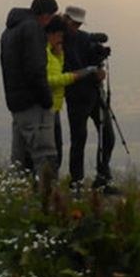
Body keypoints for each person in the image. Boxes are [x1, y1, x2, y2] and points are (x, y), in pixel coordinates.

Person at [0, 0, 58, 181]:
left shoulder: (8, 32)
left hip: (16, 103)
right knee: (45, 156)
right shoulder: (33, 29)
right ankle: (48, 204)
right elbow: (36, 69)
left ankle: (15, 201)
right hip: (33, 104)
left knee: (19, 160)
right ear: (46, 15)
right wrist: (47, 100)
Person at [62, 6, 119, 194]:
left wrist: (98, 68)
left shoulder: (85, 38)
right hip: (77, 95)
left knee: (107, 136)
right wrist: (92, 71)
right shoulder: (58, 40)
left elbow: (94, 59)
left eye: (78, 23)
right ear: (66, 19)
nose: (76, 26)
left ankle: (102, 177)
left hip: (93, 92)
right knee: (79, 139)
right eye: (74, 22)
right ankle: (76, 181)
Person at [45, 16, 97, 170]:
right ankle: (50, 183)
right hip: (52, 104)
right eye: (60, 36)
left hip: (55, 105)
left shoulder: (54, 50)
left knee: (56, 148)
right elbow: (50, 79)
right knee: (51, 149)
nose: (61, 39)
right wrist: (73, 77)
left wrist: (59, 54)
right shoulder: (44, 52)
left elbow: (57, 68)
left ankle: (51, 184)